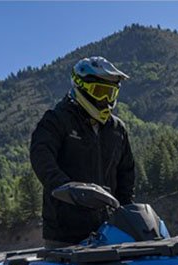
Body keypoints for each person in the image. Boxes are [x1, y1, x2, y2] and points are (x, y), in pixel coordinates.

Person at [29, 56, 135, 248]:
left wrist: (125, 213)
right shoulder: (56, 120)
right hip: (64, 232)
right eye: (100, 92)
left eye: (110, 94)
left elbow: (126, 173)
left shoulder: (117, 129)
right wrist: (66, 188)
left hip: (109, 230)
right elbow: (41, 157)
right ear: (80, 87)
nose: (105, 100)